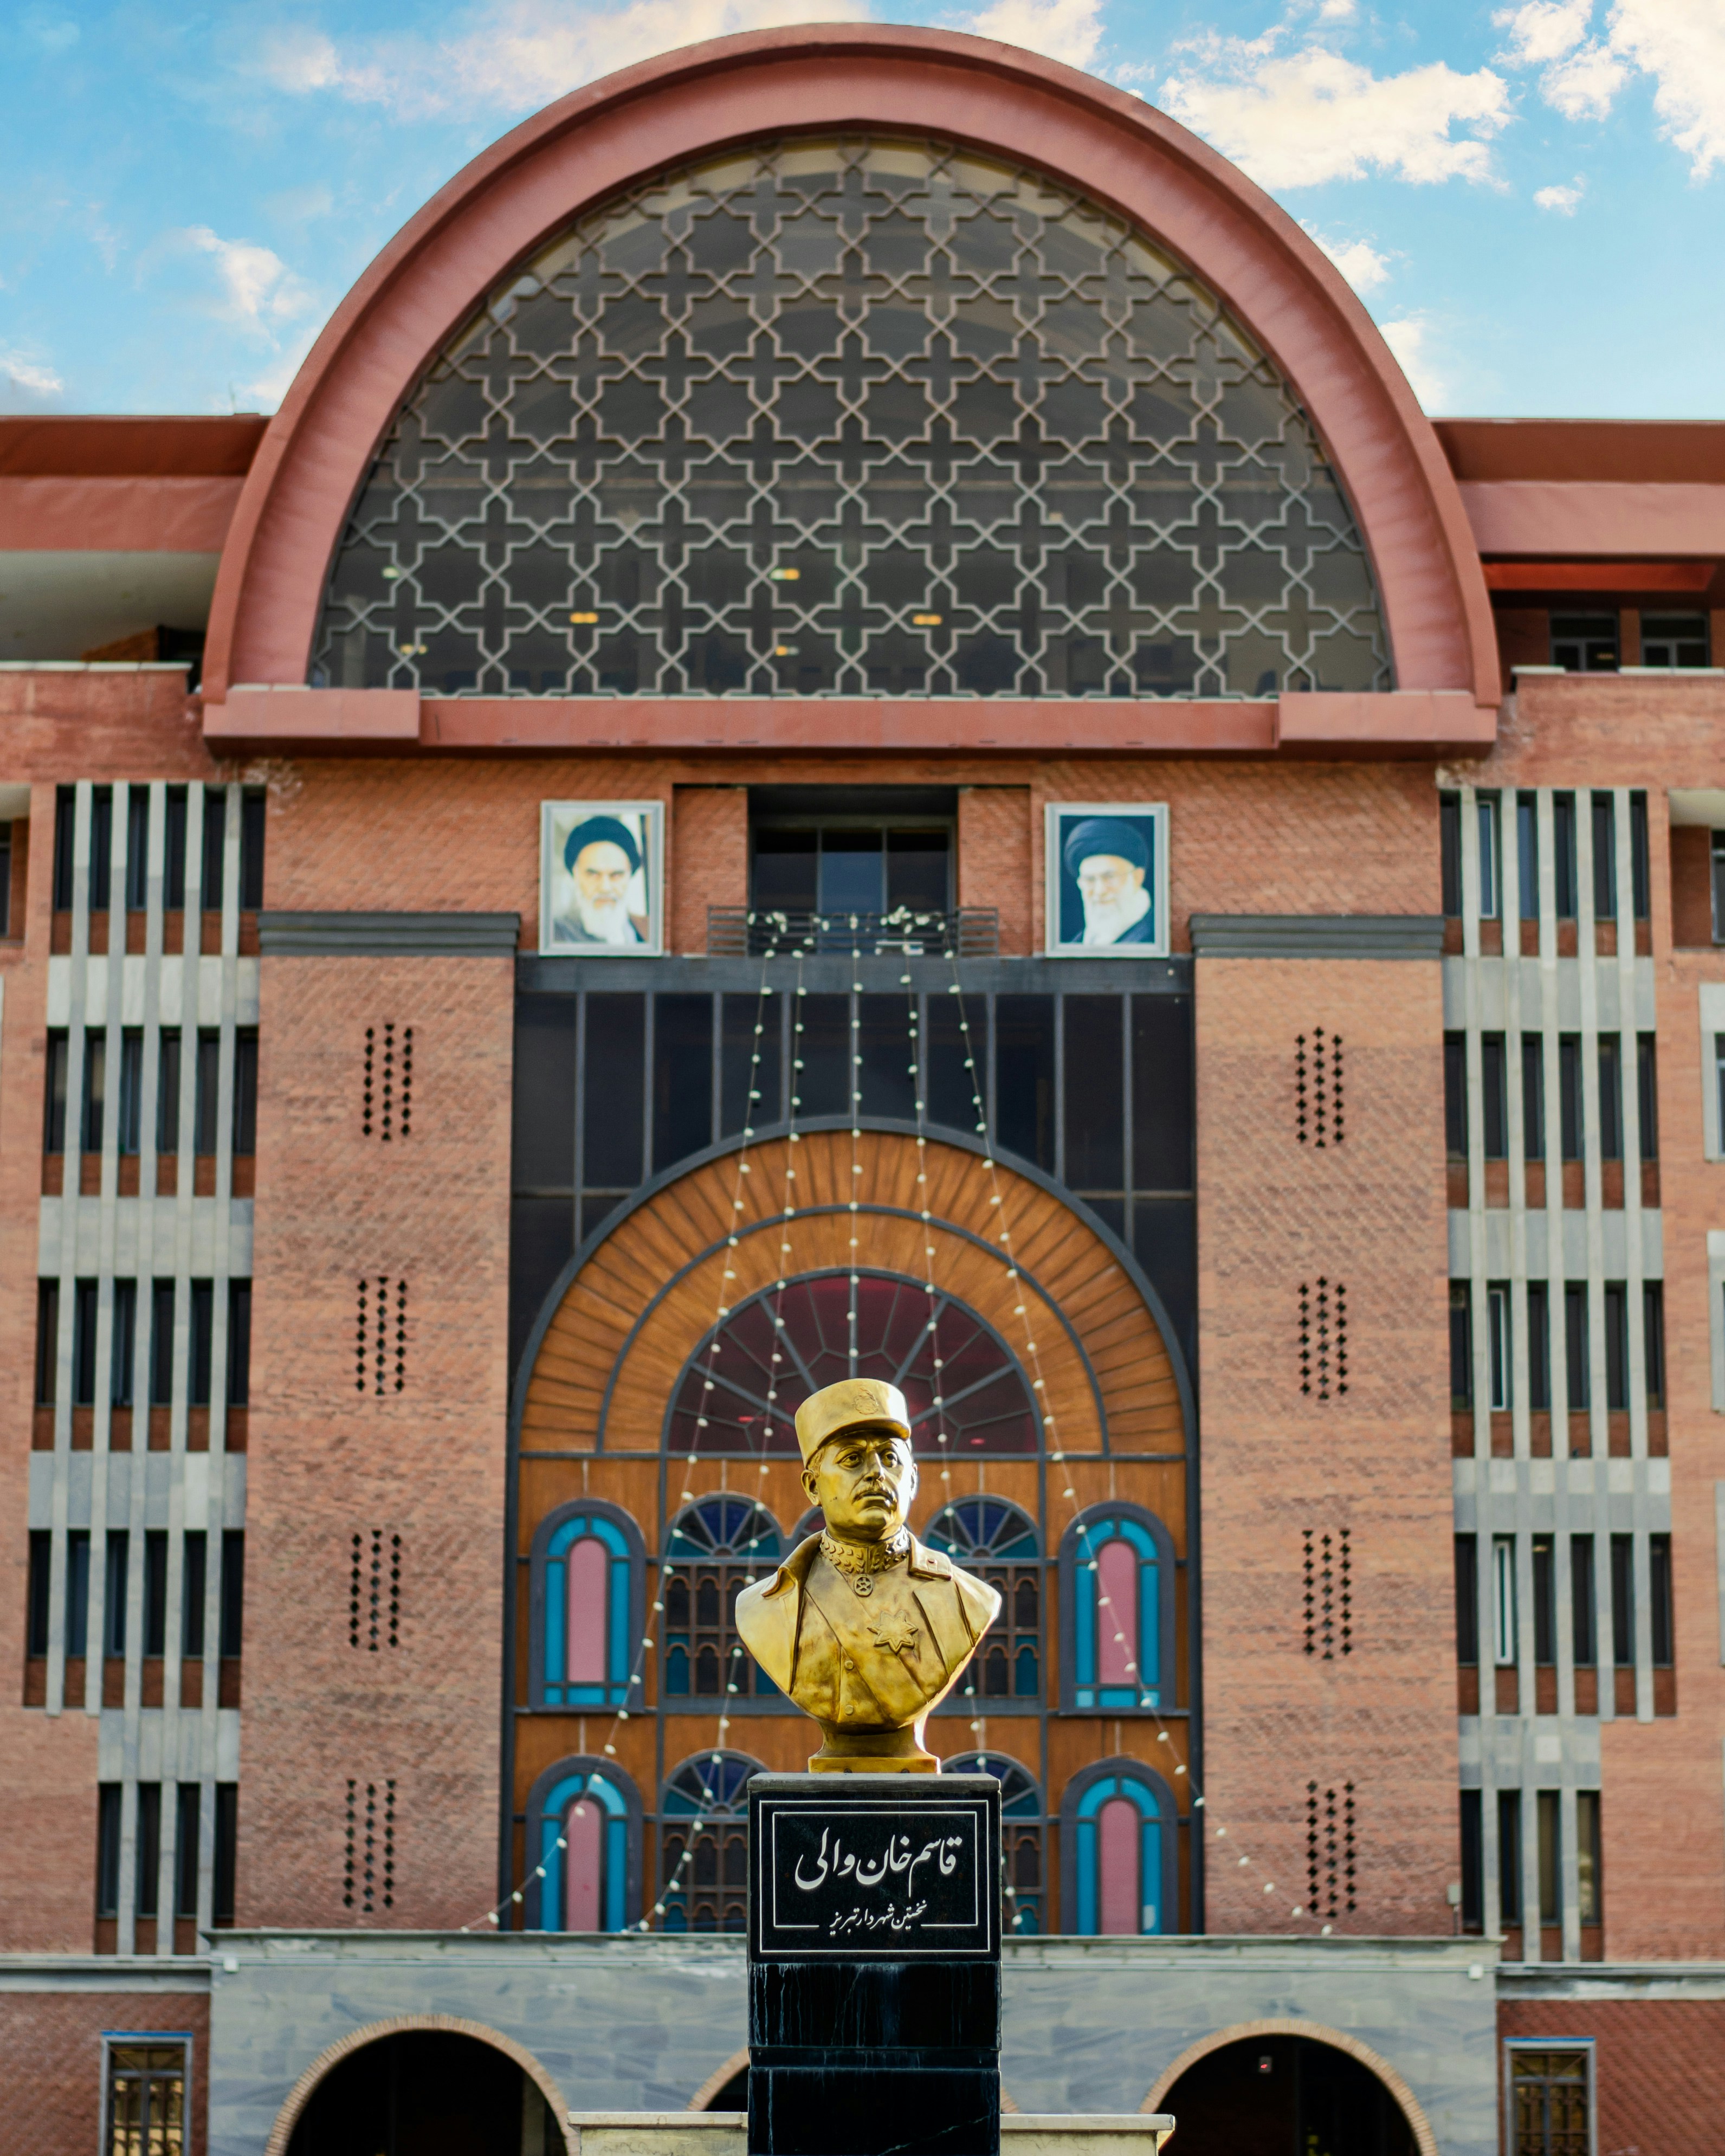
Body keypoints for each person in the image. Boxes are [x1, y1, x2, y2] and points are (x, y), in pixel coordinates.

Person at [734, 1378, 999, 1772]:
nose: (876, 1473)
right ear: (812, 1486)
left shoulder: (968, 1599)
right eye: (852, 1459)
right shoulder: (765, 1605)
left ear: (912, 1479)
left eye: (890, 1458)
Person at [1061, 815, 1157, 945]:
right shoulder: (1077, 943)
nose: (1100, 891)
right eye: (1090, 880)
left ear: (1137, 877)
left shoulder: (1156, 934)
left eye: (1110, 877)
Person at [554, 814, 648, 945]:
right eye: (593, 874)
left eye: (616, 875)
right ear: (576, 875)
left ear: (629, 875)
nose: (605, 888)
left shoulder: (647, 930)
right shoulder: (555, 934)